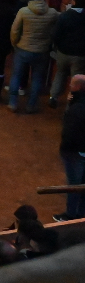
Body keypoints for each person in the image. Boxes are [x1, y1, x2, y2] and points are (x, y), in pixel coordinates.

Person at [62, 73, 85, 222]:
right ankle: (81, 213)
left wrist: (65, 149)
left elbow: (69, 130)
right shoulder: (77, 103)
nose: (69, 86)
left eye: (72, 84)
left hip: (75, 152)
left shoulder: (77, 108)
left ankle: (71, 215)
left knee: (74, 184)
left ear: (78, 87)